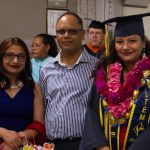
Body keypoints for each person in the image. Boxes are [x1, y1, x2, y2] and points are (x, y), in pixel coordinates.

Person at [79, 12, 150, 150]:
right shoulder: (104, 75)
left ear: (143, 43)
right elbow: (92, 113)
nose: (125, 47)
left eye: (132, 41)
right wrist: (101, 146)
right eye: (119, 41)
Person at [39, 11, 97, 150]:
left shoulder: (97, 67)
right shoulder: (46, 69)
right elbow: (45, 107)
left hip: (85, 144)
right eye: (61, 31)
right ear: (56, 36)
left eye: (72, 31)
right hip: (52, 144)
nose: (66, 36)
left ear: (83, 34)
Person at [0, 37, 45, 150]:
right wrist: (3, 133)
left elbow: (38, 123)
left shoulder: (34, 87)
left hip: (23, 144)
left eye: (21, 56)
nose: (15, 61)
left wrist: (20, 137)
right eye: (9, 55)